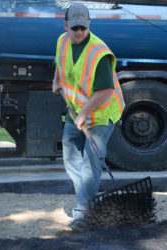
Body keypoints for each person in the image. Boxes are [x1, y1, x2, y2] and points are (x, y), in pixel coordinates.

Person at [52, 3, 125, 232]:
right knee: (70, 156)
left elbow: (105, 92)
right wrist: (56, 80)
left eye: (83, 27)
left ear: (89, 25)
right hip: (77, 110)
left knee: (91, 165)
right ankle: (88, 198)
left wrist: (85, 114)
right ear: (66, 25)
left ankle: (84, 211)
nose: (79, 32)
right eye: (74, 27)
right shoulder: (62, 41)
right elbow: (61, 65)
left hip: (102, 113)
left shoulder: (99, 52)